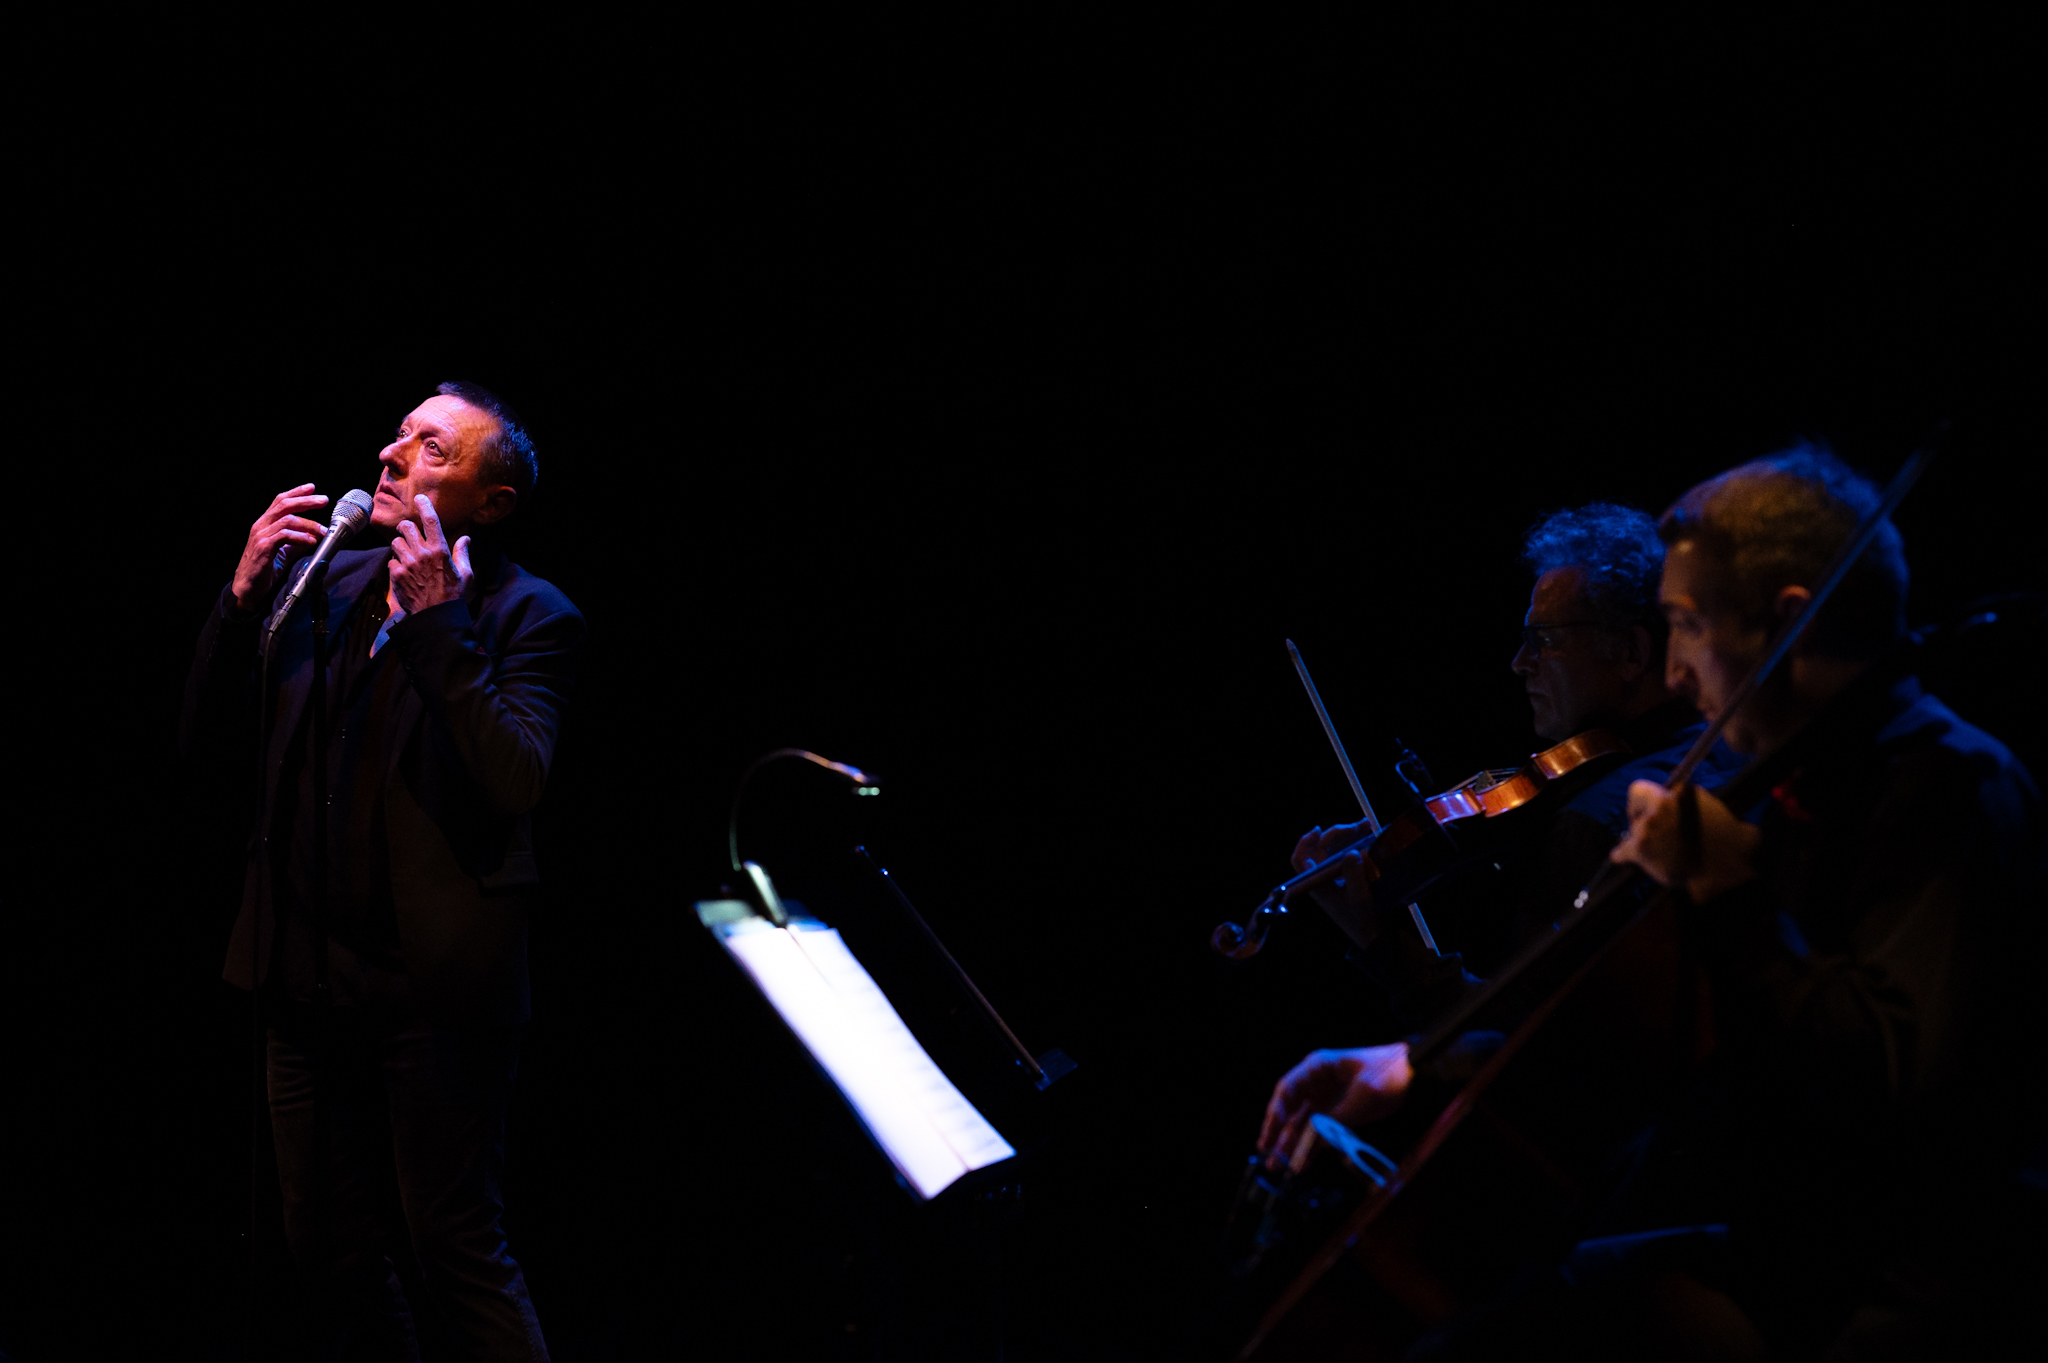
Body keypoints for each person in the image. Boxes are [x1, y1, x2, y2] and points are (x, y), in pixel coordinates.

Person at [1261, 446, 2047, 1357]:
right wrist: (1412, 1065)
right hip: (1786, 1255)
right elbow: (1602, 1030)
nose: (1672, 675)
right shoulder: (1776, 784)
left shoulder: (1944, 788)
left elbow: (1877, 1080)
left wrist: (1727, 892)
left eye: (1685, 626)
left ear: (1787, 620)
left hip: (1911, 1281)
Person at [182, 381, 582, 1360]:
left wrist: (440, 622)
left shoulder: (529, 614)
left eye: (433, 448)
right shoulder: (329, 582)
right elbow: (205, 746)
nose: (394, 455)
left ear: (491, 502)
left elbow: (515, 777)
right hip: (305, 976)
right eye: (401, 436)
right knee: (328, 1250)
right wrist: (238, 605)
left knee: (454, 1249)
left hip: (434, 998)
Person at [1289, 503, 1739, 1032]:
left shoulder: (1593, 824)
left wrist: (1381, 944)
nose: (1519, 663)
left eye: (1543, 640)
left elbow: (1517, 1055)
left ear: (1632, 653)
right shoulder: (1733, 748)